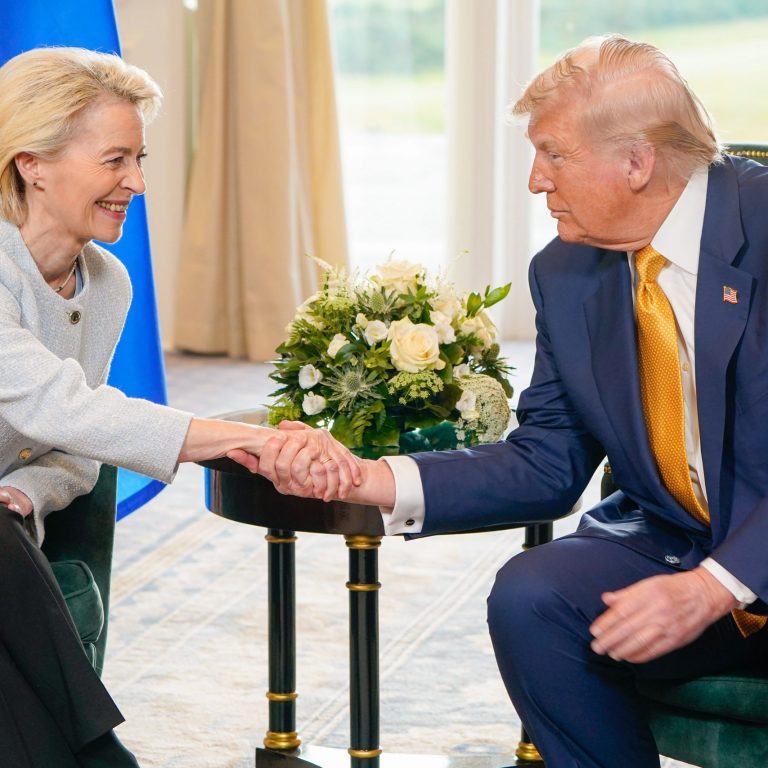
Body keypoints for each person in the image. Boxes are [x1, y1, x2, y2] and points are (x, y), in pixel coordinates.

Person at [253, 35, 768, 767]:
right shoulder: (566, 272)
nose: (534, 181)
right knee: (534, 596)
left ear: (637, 162)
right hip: (681, 540)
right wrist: (368, 477)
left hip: (736, 558)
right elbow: (548, 459)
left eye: (553, 154)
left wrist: (714, 587)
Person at [0, 46, 358, 767]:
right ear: (31, 163)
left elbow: (77, 448)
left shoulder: (106, 282)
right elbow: (59, 406)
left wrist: (27, 491)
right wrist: (246, 440)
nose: (136, 182)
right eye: (115, 160)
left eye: (138, 159)